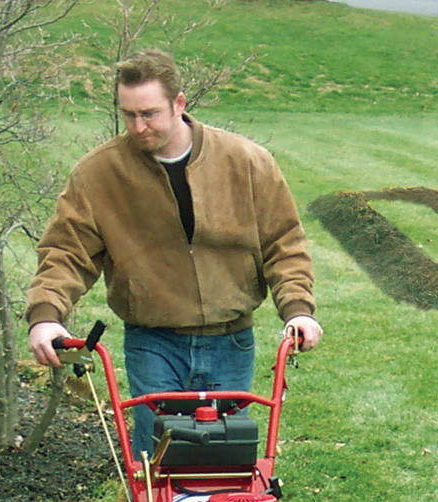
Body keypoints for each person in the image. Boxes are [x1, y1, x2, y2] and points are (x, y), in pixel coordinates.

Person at [26, 49, 322, 459]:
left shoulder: (245, 162)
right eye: (128, 115)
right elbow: (65, 252)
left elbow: (284, 244)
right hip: (154, 341)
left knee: (225, 464)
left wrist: (298, 310)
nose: (138, 126)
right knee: (155, 468)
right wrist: (46, 317)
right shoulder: (99, 174)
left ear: (179, 104)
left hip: (230, 339)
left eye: (149, 113)